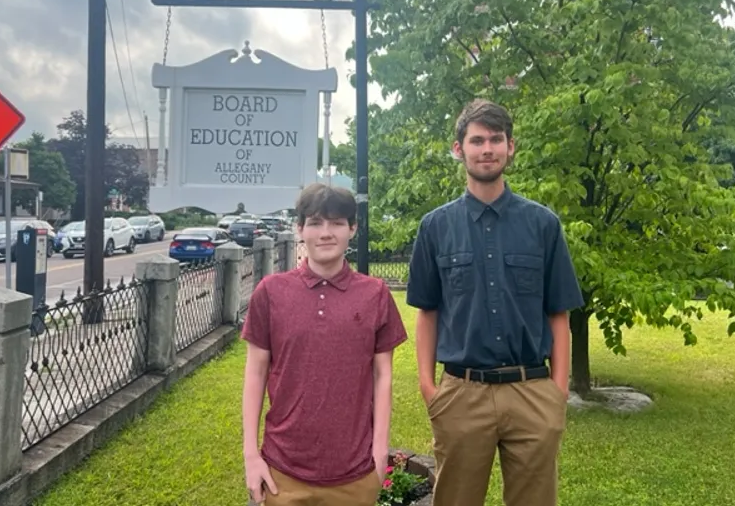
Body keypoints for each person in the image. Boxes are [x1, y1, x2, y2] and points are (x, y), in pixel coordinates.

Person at [406, 98, 585, 506]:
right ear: (459, 149)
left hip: (532, 391)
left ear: (510, 147)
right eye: (477, 140)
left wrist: (557, 392)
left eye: (496, 139)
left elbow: (558, 313)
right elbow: (427, 313)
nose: (487, 148)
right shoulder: (435, 227)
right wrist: (428, 387)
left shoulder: (543, 225)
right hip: (462, 393)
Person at [242, 183, 408, 506]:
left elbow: (382, 375)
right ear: (300, 229)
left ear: (353, 228)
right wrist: (251, 456)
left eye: (337, 223)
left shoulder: (375, 294)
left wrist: (380, 449)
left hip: (356, 473)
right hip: (283, 471)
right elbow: (255, 373)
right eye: (316, 223)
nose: (326, 233)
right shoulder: (270, 292)